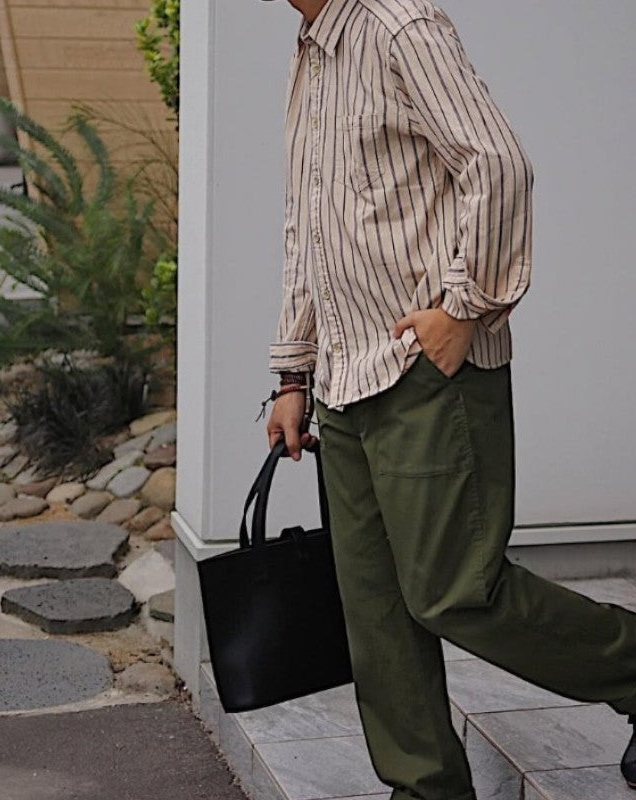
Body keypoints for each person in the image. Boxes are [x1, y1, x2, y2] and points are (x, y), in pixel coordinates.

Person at [262, 0, 636, 797]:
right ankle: (426, 788)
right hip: (345, 378)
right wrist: (294, 374)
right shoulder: (313, 50)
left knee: (454, 590)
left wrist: (466, 308)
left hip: (426, 373)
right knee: (376, 608)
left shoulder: (400, 26)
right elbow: (307, 226)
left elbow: (498, 164)